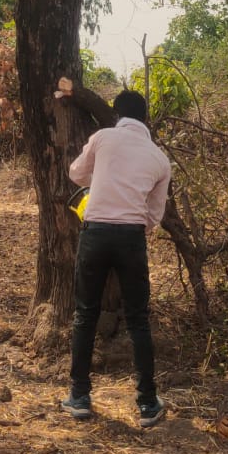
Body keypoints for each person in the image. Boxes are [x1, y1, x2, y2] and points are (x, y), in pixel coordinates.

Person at [61, 89, 171, 428]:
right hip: (131, 238)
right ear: (145, 118)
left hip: (95, 233)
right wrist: (132, 227)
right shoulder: (159, 158)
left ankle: (79, 397)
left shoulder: (103, 137)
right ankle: (148, 403)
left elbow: (76, 174)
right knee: (138, 319)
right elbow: (154, 214)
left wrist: (103, 177)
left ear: (117, 114)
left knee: (85, 314)